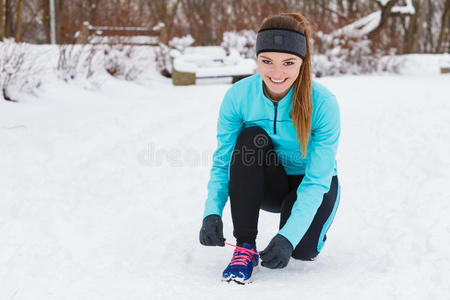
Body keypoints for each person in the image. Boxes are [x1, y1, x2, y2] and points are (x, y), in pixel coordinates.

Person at [199, 12, 341, 284]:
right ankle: (245, 248)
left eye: (288, 63)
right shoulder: (238, 96)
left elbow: (317, 180)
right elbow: (223, 161)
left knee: (302, 252)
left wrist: (288, 236)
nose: (277, 73)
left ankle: (302, 233)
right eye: (267, 61)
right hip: (268, 183)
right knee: (250, 138)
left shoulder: (323, 103)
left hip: (311, 184)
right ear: (257, 60)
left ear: (303, 61)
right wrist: (211, 212)